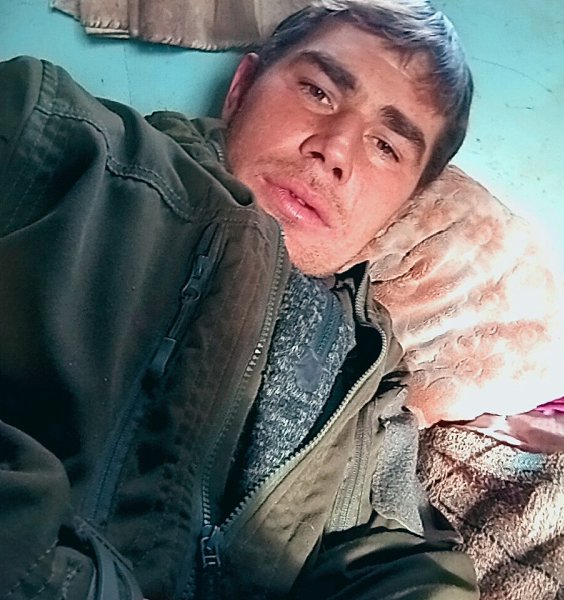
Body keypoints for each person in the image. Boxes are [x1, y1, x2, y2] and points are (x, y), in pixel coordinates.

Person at [0, 1, 478, 598]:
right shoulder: (51, 140)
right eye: (318, 92)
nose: (335, 151)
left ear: (404, 204)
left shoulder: (371, 374)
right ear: (241, 89)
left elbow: (397, 555)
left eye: (386, 146)